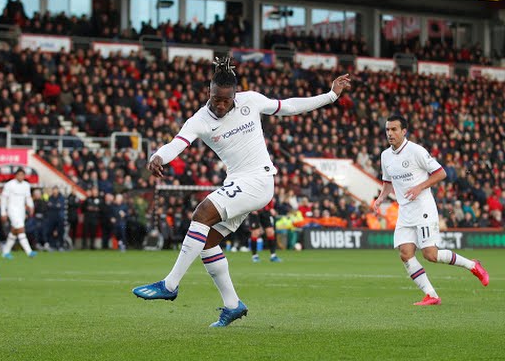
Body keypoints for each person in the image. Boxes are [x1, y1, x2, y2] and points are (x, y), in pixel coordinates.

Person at [132, 56, 351, 327]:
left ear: (234, 95)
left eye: (226, 100)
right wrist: (158, 156)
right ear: (209, 93)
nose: (220, 105)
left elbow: (290, 106)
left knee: (201, 213)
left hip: (259, 180)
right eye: (215, 99)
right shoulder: (199, 120)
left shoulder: (251, 101)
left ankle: (170, 284)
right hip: (237, 182)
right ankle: (232, 305)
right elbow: (177, 143)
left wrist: (330, 96)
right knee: (208, 241)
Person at [373, 115, 489, 306]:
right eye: (387, 130)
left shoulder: (416, 151)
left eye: (394, 129)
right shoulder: (385, 155)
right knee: (405, 253)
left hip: (423, 208)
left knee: (430, 255)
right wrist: (380, 198)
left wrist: (420, 187)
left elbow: (440, 173)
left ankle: (473, 265)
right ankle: (431, 295)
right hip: (405, 210)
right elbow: (387, 182)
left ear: (404, 131)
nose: (390, 133)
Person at [0, 168, 37, 258]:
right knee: (20, 228)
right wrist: (3, 212)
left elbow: (28, 197)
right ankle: (29, 252)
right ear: (15, 175)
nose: (21, 176)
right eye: (19, 174)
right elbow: (3, 199)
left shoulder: (26, 185)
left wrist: (31, 206)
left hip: (21, 210)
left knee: (14, 231)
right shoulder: (9, 184)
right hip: (12, 209)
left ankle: (5, 252)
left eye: (22, 175)